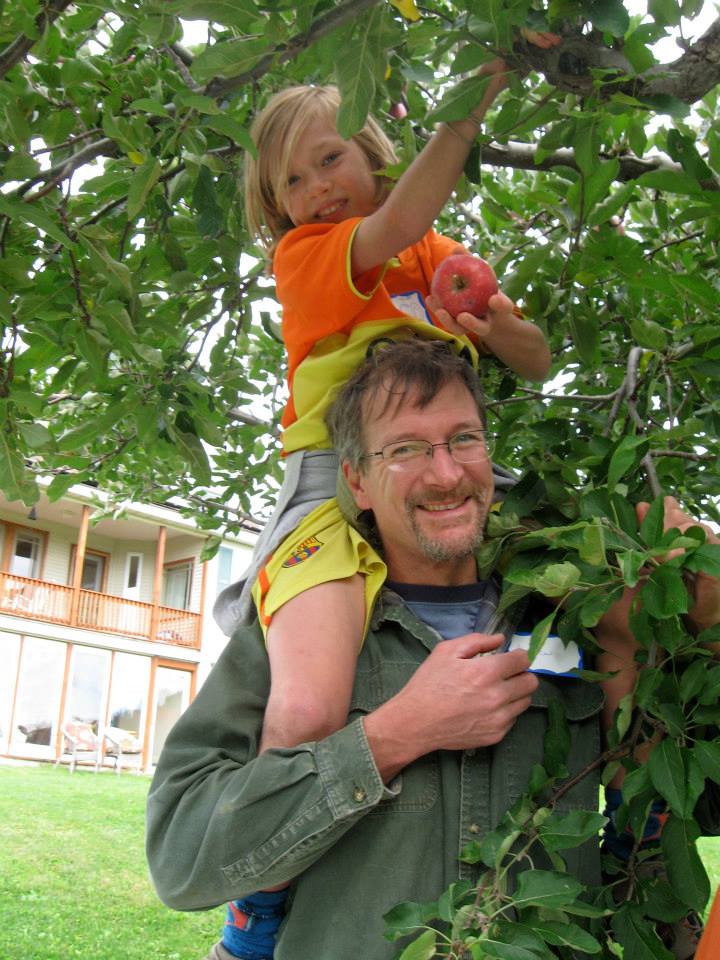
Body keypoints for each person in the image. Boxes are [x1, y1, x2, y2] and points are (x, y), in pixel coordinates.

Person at [146, 340, 720, 960]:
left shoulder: (576, 612)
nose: (445, 474)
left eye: (463, 440)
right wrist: (396, 734)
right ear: (356, 481)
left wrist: (702, 629)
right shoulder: (299, 631)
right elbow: (182, 862)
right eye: (405, 449)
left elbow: (697, 804)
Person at [210, 55, 554, 957]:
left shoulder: (431, 258)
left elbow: (537, 359)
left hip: (439, 485)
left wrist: (487, 321)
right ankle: (259, 910)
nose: (315, 189)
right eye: (290, 180)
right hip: (334, 484)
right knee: (305, 715)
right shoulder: (310, 255)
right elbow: (404, 215)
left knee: (590, 617)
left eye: (330, 160)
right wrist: (480, 93)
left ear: (370, 153)